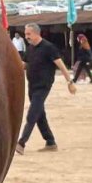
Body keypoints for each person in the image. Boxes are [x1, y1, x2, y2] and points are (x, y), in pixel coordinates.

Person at [15, 23, 76, 155]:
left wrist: (70, 82)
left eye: (28, 34)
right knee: (39, 115)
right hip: (32, 85)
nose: (26, 37)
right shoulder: (30, 48)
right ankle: (50, 141)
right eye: (25, 34)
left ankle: (21, 143)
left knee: (32, 114)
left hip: (43, 87)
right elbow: (25, 64)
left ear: (37, 33)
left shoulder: (49, 47)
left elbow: (60, 65)